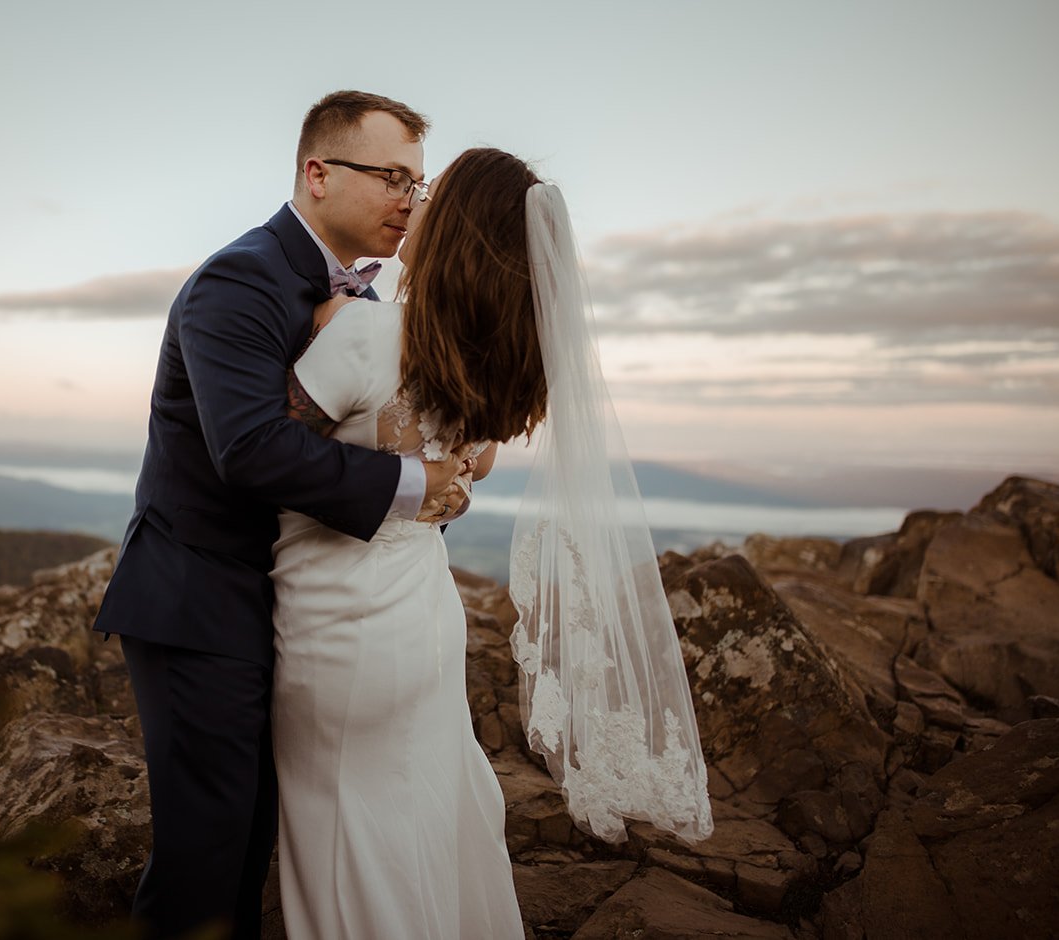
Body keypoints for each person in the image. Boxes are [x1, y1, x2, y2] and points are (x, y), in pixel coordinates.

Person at [271, 147, 714, 938]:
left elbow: (256, 455)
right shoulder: (476, 367)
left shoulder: (369, 336)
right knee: (426, 827)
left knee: (346, 850)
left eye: (434, 190)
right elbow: (469, 466)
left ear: (460, 229)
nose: (418, 199)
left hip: (336, 629)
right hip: (424, 624)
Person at [92, 91, 466, 940]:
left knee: (257, 838)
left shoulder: (367, 302)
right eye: (391, 178)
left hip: (290, 604)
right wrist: (418, 484)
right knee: (207, 858)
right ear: (318, 172)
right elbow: (251, 450)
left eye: (418, 181)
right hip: (198, 595)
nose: (408, 200)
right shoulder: (241, 278)